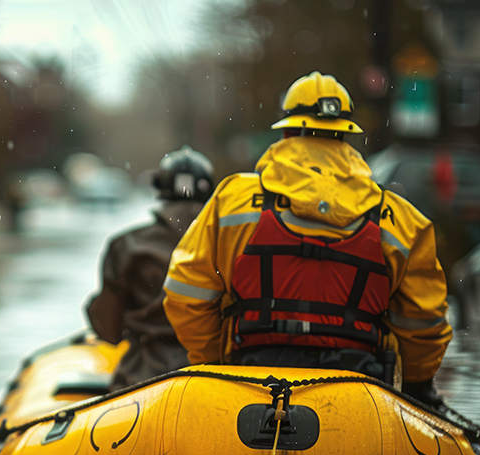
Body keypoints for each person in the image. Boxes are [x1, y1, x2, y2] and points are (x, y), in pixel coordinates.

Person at [163, 71, 452, 408]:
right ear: (346, 134)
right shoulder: (401, 219)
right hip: (359, 395)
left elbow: (185, 295)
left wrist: (212, 362)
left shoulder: (232, 200)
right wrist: (417, 385)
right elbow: (425, 322)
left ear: (285, 131)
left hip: (249, 382)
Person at [86, 146, 215, 391]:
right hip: (218, 379)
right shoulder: (233, 243)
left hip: (143, 377)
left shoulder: (127, 245)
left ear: (159, 188)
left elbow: (108, 330)